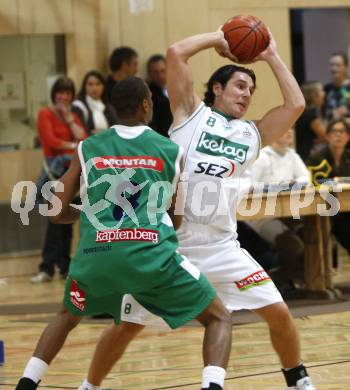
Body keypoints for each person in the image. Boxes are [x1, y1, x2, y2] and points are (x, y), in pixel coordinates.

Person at [77, 28, 316, 390]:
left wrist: (270, 55)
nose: (247, 94)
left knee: (279, 313)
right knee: (127, 326)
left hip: (222, 247)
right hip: (173, 246)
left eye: (251, 90)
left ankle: (297, 379)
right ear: (217, 89)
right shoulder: (190, 114)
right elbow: (175, 52)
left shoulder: (251, 135)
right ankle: (89, 385)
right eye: (239, 86)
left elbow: (296, 105)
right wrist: (218, 37)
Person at [16, 76, 233, 390]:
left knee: (66, 315)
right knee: (218, 318)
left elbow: (54, 211)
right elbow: (176, 220)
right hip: (151, 259)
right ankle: (212, 386)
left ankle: (27, 382)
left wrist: (88, 213)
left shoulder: (87, 148)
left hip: (97, 259)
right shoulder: (171, 151)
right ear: (146, 105)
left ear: (113, 109)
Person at [31, 77, 87, 283]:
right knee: (54, 221)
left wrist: (69, 119)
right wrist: (74, 146)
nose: (63, 96)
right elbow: (51, 142)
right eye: (60, 92)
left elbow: (85, 139)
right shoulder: (45, 113)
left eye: (67, 93)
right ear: (54, 94)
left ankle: (65, 267)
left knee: (68, 220)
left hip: (73, 173)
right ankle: (46, 268)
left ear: (72, 96)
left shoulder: (73, 116)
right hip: (54, 174)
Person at [248, 129, 311, 292]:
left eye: (291, 130)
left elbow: (306, 178)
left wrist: (294, 182)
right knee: (293, 245)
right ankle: (275, 280)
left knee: (312, 235)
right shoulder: (262, 155)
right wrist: (281, 186)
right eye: (285, 129)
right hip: (261, 216)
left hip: (289, 214)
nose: (289, 132)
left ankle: (306, 280)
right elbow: (250, 186)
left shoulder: (292, 155)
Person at [307, 119, 350, 257]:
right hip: (324, 207)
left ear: (348, 136)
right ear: (328, 135)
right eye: (334, 131)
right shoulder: (317, 157)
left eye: (342, 132)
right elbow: (314, 182)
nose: (338, 135)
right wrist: (337, 181)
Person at [72, 70, 117, 136]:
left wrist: (103, 133)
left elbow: (116, 129)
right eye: (90, 84)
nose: (94, 88)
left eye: (98, 84)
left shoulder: (108, 107)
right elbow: (83, 132)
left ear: (103, 86)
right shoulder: (78, 106)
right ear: (84, 87)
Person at [295, 81, 327, 161]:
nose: (324, 93)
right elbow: (326, 137)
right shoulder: (311, 115)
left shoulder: (302, 112)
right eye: (321, 91)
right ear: (314, 95)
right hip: (305, 155)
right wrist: (314, 142)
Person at [147, 54, 173, 136]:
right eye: (155, 72)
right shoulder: (148, 94)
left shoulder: (177, 87)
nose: (160, 76)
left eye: (163, 71)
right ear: (149, 73)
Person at [323, 52, 350, 122]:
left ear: (346, 67)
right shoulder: (326, 89)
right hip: (330, 131)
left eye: (338, 65)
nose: (334, 69)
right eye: (331, 65)